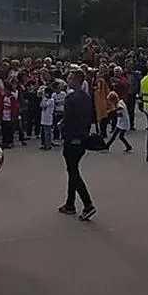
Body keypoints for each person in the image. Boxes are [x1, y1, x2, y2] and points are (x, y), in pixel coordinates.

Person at [58, 69, 96, 220]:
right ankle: (70, 203)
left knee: (73, 172)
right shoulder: (87, 97)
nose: (68, 80)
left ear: (77, 81)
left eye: (70, 78)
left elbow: (67, 118)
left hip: (71, 137)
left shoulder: (71, 98)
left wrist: (62, 127)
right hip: (82, 137)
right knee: (72, 169)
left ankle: (88, 204)